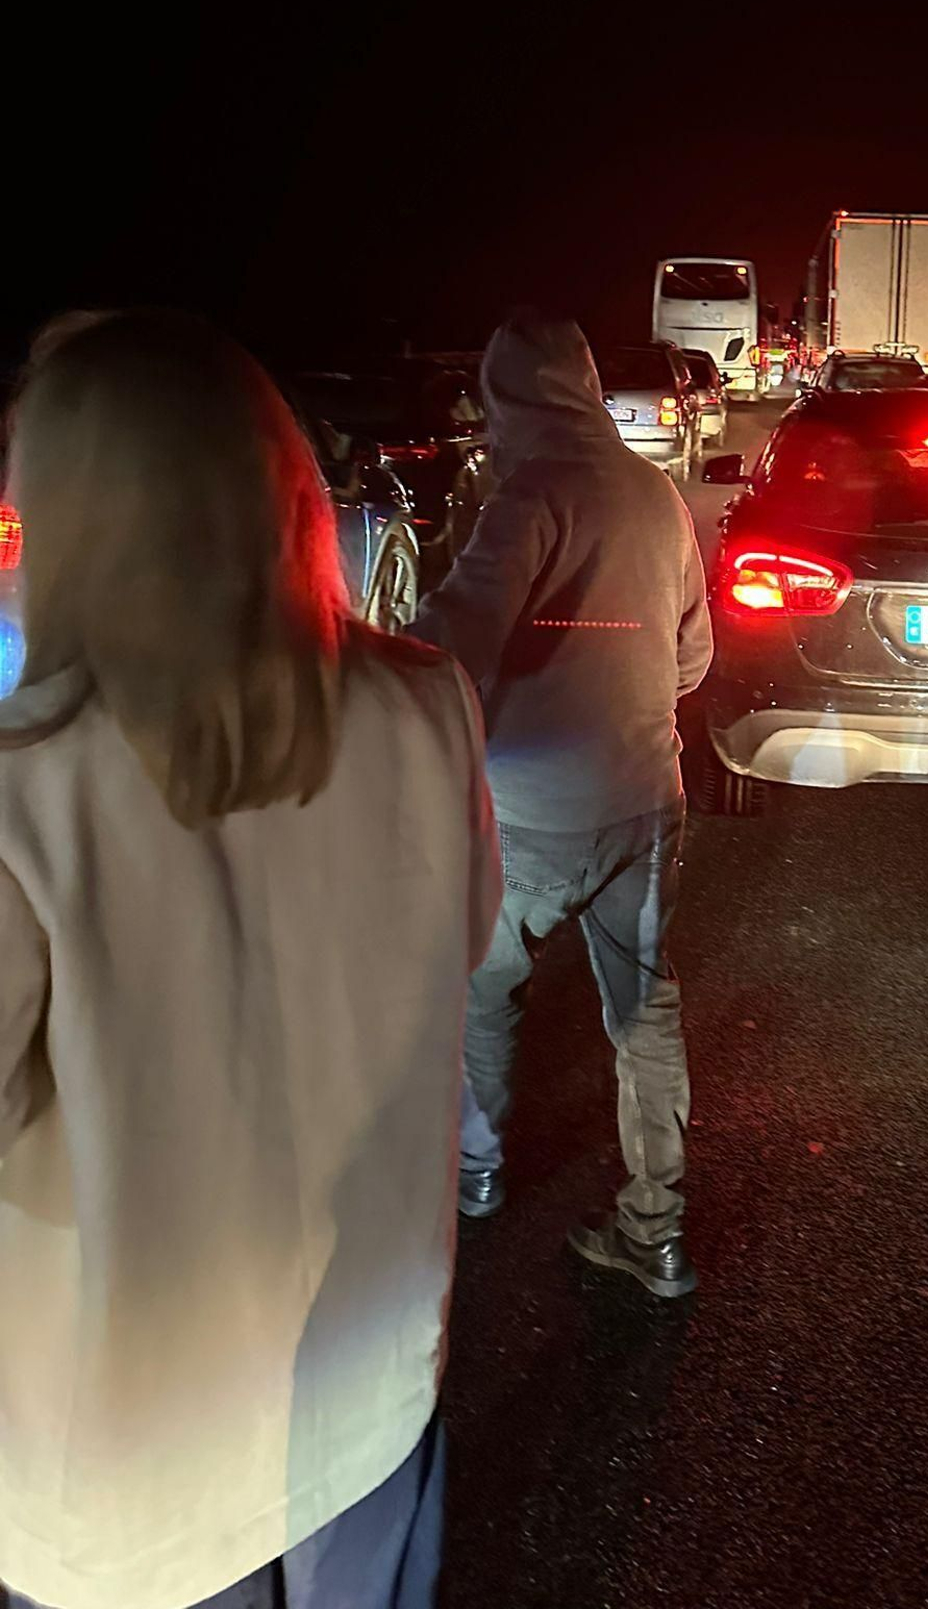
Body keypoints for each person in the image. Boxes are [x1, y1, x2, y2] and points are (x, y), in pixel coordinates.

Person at [0, 312, 501, 1609]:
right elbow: (465, 935)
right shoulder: (426, 702)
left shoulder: (27, 787)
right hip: (365, 1395)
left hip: (130, 1472)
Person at [416, 309, 711, 1299]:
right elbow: (694, 656)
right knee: (645, 1011)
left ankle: (479, 1178)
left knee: (485, 995)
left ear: (507, 399)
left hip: (527, 814)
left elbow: (453, 641)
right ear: (585, 387)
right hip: (644, 804)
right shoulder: (656, 494)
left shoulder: (527, 494)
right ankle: (656, 1233)